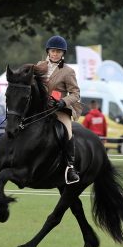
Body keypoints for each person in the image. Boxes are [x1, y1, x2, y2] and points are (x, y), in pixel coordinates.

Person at [36, 35, 83, 184]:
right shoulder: (39, 66)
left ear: (63, 53)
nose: (55, 54)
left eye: (58, 51)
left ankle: (70, 167)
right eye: (53, 51)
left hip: (58, 108)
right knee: (18, 119)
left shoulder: (68, 71)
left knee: (67, 132)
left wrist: (63, 102)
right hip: (40, 107)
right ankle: (2, 151)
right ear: (48, 51)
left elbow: (76, 93)